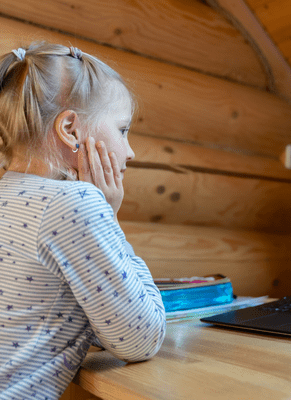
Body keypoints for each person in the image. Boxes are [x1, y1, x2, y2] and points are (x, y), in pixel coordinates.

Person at [0, 42, 166, 399]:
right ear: (71, 129)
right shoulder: (73, 204)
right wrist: (111, 220)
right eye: (122, 130)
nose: (130, 151)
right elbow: (142, 337)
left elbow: (105, 328)